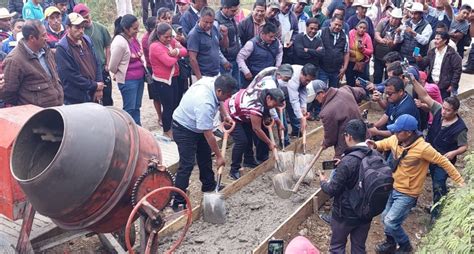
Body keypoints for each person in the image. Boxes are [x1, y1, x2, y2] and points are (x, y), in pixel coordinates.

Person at [367, 114, 465, 253]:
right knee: (385, 218)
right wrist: (375, 145)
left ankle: (405, 246)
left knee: (391, 221)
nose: (394, 133)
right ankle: (390, 243)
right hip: (393, 185)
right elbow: (385, 143)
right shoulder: (396, 139)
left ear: (408, 133)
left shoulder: (424, 148)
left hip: (408, 192)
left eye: (398, 131)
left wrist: (460, 181)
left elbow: (443, 162)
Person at [171, 75, 237, 210]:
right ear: (219, 91)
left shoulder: (213, 82)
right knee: (187, 164)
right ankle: (177, 200)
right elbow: (209, 135)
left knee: (205, 156)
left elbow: (220, 102)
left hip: (197, 125)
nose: (227, 99)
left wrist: (226, 115)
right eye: (227, 96)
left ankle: (209, 185)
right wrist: (219, 156)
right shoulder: (204, 103)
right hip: (183, 127)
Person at [412, 74, 468, 221]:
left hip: (443, 161)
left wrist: (453, 153)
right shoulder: (438, 110)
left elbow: (464, 146)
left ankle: (435, 214)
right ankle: (411, 203)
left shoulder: (460, 128)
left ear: (455, 111)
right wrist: (413, 81)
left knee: (438, 185)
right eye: (443, 108)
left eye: (448, 110)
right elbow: (424, 96)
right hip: (427, 153)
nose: (444, 112)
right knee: (416, 175)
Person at [320, 119, 373, 253]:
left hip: (345, 214)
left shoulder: (348, 162)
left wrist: (323, 181)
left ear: (349, 136)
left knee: (337, 247)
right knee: (359, 247)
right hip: (366, 212)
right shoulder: (374, 155)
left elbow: (332, 189)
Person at [0, 19, 63, 107]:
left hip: (56, 109)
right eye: (43, 35)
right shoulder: (14, 60)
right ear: (32, 38)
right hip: (35, 116)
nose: (47, 38)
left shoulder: (46, 50)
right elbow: (8, 94)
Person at [226, 88, 285, 179]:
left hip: (242, 113)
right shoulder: (256, 107)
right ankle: (234, 170)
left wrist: (268, 117)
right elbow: (257, 129)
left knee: (248, 134)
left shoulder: (263, 95)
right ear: (269, 98)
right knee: (242, 141)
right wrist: (269, 143)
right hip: (229, 114)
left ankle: (248, 160)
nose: (273, 107)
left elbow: (265, 110)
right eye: (274, 105)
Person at [149, 23, 188, 139]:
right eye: (166, 37)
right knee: (168, 106)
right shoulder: (155, 46)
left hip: (174, 77)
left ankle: (174, 127)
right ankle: (167, 130)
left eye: (170, 36)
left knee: (176, 104)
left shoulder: (171, 41)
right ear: (159, 35)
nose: (169, 39)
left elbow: (185, 51)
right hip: (163, 81)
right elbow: (168, 62)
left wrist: (176, 52)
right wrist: (178, 55)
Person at [55, 13, 103, 105]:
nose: (81, 30)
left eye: (82, 27)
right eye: (77, 27)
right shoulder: (62, 48)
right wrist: (94, 85)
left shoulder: (87, 40)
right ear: (68, 28)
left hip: (92, 92)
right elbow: (71, 76)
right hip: (76, 98)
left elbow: (97, 62)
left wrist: (99, 86)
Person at [313, 79, 365, 158]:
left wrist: (325, 143)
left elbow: (331, 137)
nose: (316, 100)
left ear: (321, 93)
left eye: (315, 97)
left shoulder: (327, 112)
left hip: (346, 144)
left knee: (341, 165)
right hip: (363, 134)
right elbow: (361, 92)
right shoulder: (345, 89)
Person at [74, 3, 113, 106]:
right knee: (92, 101)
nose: (86, 20)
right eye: (83, 19)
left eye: (87, 17)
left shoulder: (101, 28)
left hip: (102, 69)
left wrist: (107, 64)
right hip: (87, 72)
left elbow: (108, 46)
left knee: (107, 98)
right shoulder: (77, 32)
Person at [109, 14, 145, 125]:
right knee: (129, 109)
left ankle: (138, 129)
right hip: (129, 81)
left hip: (139, 78)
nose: (137, 31)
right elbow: (112, 66)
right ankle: (129, 132)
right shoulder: (120, 43)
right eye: (134, 28)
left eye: (138, 28)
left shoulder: (133, 39)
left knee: (136, 107)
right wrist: (118, 73)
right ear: (125, 28)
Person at [415, 31, 462, 99]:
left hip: (444, 86)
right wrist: (419, 60)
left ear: (445, 40)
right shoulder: (432, 52)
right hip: (431, 83)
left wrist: (453, 85)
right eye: (435, 39)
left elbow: (457, 71)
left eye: (438, 39)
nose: (435, 41)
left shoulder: (453, 55)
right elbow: (423, 65)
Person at [237, 22, 283, 88]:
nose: (273, 39)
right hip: (254, 77)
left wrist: (278, 65)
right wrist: (246, 71)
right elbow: (240, 57)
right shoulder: (251, 44)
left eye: (274, 36)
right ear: (263, 34)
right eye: (270, 37)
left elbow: (280, 52)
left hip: (269, 76)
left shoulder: (277, 42)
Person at [283, 64, 317, 137]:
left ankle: (296, 132)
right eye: (307, 80)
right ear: (301, 73)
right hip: (280, 92)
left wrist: (303, 107)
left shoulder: (305, 74)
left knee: (295, 110)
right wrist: (301, 119)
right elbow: (294, 100)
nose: (308, 82)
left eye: (310, 81)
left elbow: (303, 91)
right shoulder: (293, 78)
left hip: (290, 92)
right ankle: (285, 141)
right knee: (282, 117)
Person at [317, 14, 349, 88]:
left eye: (340, 25)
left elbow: (346, 53)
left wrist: (344, 68)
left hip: (336, 71)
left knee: (334, 91)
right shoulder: (321, 32)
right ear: (331, 22)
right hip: (322, 68)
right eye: (336, 24)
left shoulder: (344, 36)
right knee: (321, 90)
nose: (337, 27)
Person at [373, 8, 402, 84]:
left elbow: (396, 42)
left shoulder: (400, 29)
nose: (393, 20)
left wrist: (391, 44)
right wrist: (381, 40)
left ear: (399, 20)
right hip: (378, 55)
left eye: (396, 19)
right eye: (393, 18)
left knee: (389, 77)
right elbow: (376, 34)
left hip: (391, 59)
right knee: (377, 75)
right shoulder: (383, 23)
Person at [215, 0, 241, 84]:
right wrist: (224, 61)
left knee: (236, 86)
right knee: (228, 89)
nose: (235, 13)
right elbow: (215, 46)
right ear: (225, 8)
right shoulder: (216, 21)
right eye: (233, 10)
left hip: (235, 59)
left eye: (236, 10)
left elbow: (236, 37)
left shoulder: (231, 18)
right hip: (225, 62)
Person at [346, 20, 373, 87]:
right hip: (350, 62)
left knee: (361, 82)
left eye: (364, 28)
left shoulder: (367, 37)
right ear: (357, 27)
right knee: (350, 80)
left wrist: (363, 49)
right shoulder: (351, 33)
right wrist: (353, 52)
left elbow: (371, 51)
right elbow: (346, 46)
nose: (362, 29)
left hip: (361, 63)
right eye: (360, 27)